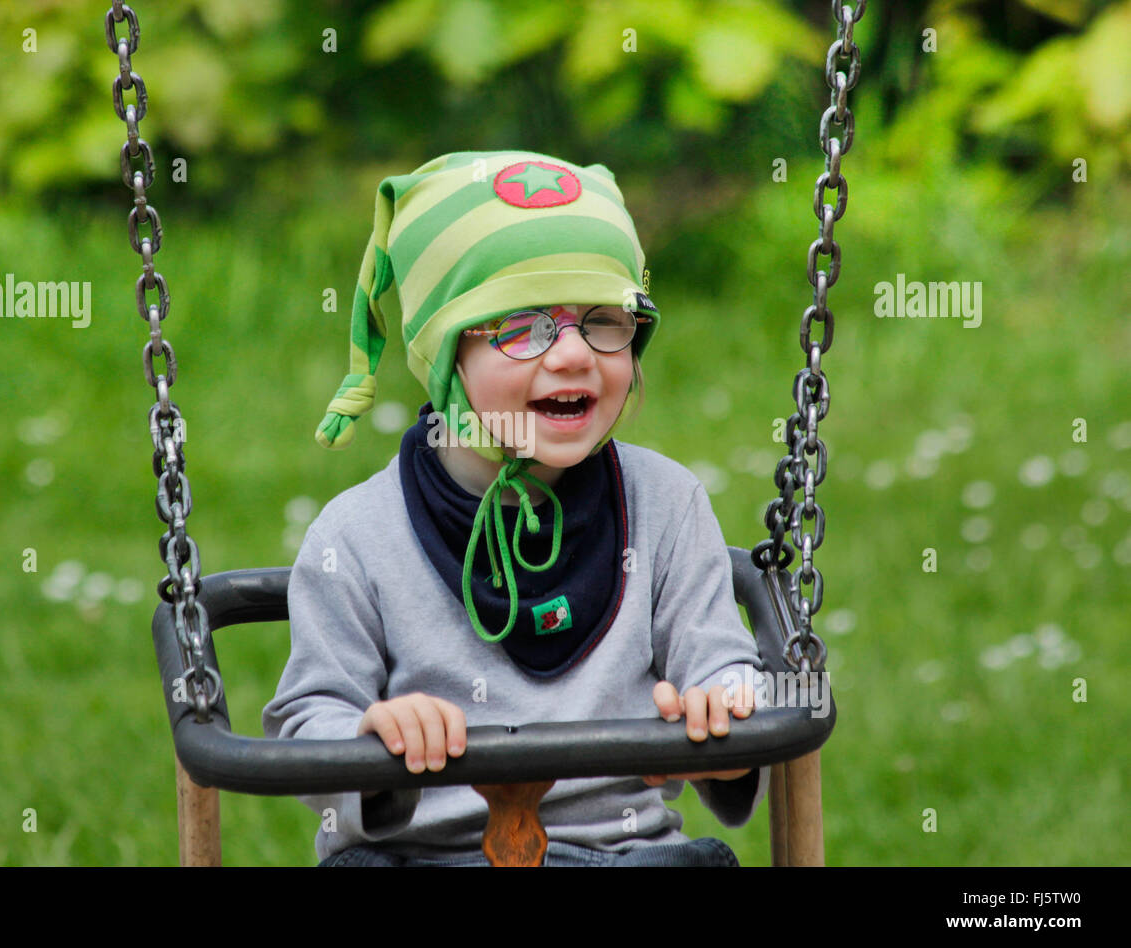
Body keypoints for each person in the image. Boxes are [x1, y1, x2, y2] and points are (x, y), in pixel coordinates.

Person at [263, 149, 768, 867]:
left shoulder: (667, 504)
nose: (571, 356)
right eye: (522, 327)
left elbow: (722, 663)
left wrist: (724, 710)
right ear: (444, 357)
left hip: (619, 856)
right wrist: (371, 735)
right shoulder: (355, 535)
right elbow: (309, 716)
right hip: (424, 859)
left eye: (604, 321)